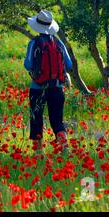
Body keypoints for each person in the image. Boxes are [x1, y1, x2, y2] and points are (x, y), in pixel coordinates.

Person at [23, 10, 73, 154]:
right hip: (57, 88)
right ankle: (65, 149)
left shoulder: (34, 42)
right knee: (57, 120)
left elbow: (28, 65)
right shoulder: (59, 43)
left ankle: (39, 153)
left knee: (36, 118)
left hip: (37, 88)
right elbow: (69, 65)